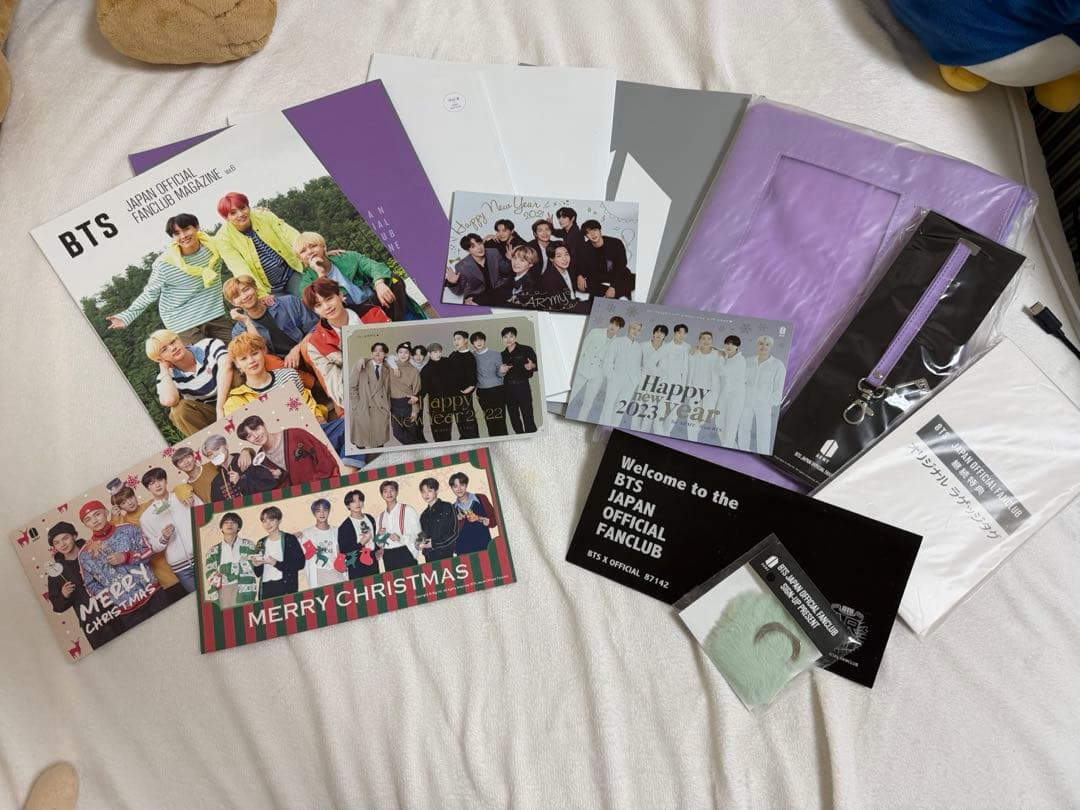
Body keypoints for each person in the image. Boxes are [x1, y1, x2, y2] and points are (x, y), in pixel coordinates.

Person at [106, 213, 234, 344]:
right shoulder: (164, 264)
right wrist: (126, 316)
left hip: (213, 313)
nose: (183, 236)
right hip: (182, 321)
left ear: (196, 227)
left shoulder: (214, 248)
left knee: (240, 347)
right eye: (177, 233)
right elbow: (150, 293)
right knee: (206, 354)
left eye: (186, 229)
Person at [302, 277, 389, 414]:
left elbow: (395, 350)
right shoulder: (316, 344)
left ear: (340, 295)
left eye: (329, 298)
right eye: (318, 305)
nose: (326, 307)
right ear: (314, 310)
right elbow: (336, 388)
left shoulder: (372, 313)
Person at [77, 501, 168, 630]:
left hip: (153, 594)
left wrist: (126, 557)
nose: (94, 521)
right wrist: (112, 595)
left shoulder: (128, 530)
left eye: (97, 514)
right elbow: (90, 585)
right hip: (127, 609)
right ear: (85, 524)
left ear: (106, 512)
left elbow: (149, 551)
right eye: (88, 519)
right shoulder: (85, 554)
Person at [223, 274, 318, 390]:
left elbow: (316, 327)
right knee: (267, 361)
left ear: (255, 288)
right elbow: (261, 351)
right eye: (237, 296)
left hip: (307, 350)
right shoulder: (239, 331)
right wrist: (247, 322)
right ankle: (315, 387)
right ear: (233, 303)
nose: (244, 296)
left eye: (246, 289)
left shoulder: (288, 302)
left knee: (308, 347)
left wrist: (297, 349)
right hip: (281, 367)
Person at [293, 231, 415, 321]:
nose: (310, 252)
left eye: (313, 246)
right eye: (303, 251)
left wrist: (379, 283)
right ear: (300, 259)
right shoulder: (306, 284)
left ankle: (403, 323)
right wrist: (320, 274)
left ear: (324, 247)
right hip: (352, 314)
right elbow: (321, 307)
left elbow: (374, 266)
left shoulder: (346, 258)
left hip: (373, 299)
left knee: (394, 280)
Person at [214, 192, 304, 296]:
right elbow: (239, 267)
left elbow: (287, 232)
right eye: (233, 213)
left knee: (309, 296)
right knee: (285, 306)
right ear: (226, 218)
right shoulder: (223, 238)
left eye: (242, 208)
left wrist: (305, 248)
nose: (240, 214)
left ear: (248, 207)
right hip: (267, 288)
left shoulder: (263, 215)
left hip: (290, 272)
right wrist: (260, 294)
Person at [45, 521, 117, 649]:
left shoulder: (93, 549)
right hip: (93, 622)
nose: (62, 544)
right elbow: (57, 606)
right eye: (57, 542)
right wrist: (64, 595)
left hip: (116, 606)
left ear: (74, 536)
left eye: (65, 538)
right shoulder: (56, 572)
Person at [145, 329, 233, 434]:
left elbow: (227, 367)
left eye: (172, 342)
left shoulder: (208, 345)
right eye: (164, 349)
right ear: (160, 359)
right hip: (207, 411)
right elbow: (170, 400)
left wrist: (220, 408)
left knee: (236, 375)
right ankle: (212, 441)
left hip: (233, 397)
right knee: (178, 411)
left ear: (179, 339)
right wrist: (164, 369)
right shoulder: (165, 377)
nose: (173, 348)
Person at [235, 414, 339, 487]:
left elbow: (324, 458)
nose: (256, 436)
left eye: (257, 429)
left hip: (325, 488)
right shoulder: (261, 462)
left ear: (264, 425)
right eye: (249, 436)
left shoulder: (296, 434)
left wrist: (316, 486)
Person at [138, 468, 198, 593]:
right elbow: (153, 547)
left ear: (166, 481)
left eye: (160, 480)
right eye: (152, 483)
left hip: (202, 555)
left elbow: (205, 515)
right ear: (148, 488)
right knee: (201, 601)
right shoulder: (146, 517)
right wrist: (164, 537)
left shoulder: (184, 496)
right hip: (181, 568)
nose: (157, 485)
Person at [737, 335, 786, 454]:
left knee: (763, 430)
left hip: (764, 402)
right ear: (757, 345)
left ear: (771, 347)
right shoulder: (748, 361)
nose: (763, 346)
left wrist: (771, 401)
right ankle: (742, 450)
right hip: (747, 400)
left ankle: (762, 452)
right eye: (761, 344)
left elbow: (779, 386)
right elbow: (740, 380)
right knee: (743, 426)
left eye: (767, 344)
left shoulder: (777, 365)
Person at [571, 316, 623, 421]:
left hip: (598, 375)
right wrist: (575, 366)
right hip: (582, 368)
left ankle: (581, 420)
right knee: (570, 394)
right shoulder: (595, 332)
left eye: (616, 325)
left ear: (619, 328)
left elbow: (613, 362)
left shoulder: (617, 343)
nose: (613, 326)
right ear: (609, 323)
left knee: (588, 402)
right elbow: (582, 348)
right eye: (612, 323)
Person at [202, 434, 282, 503]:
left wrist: (240, 481)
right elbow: (217, 508)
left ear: (226, 446)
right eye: (210, 454)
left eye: (217, 449)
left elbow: (270, 485)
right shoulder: (216, 482)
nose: (215, 455)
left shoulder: (247, 460)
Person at [203, 512, 260, 608]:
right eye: (226, 522)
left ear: (239, 527)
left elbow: (252, 566)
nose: (229, 525)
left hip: (245, 589)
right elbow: (210, 574)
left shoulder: (248, 545)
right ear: (221, 528)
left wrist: (224, 568)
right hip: (222, 591)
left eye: (233, 522)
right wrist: (237, 569)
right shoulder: (213, 551)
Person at [252, 506, 305, 599]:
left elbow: (300, 564)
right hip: (266, 587)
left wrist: (275, 563)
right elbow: (258, 573)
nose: (268, 524)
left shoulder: (289, 539)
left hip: (285, 586)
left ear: (279, 520)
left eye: (271, 520)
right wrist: (256, 565)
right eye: (264, 521)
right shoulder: (260, 542)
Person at [599, 321, 644, 428]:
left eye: (638, 330)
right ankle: (602, 428)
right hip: (616, 378)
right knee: (609, 405)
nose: (636, 331)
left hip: (630, 382)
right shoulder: (617, 341)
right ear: (629, 329)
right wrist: (611, 377)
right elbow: (608, 361)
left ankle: (613, 429)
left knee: (621, 407)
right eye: (634, 328)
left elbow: (638, 366)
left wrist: (636, 381)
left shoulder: (638, 347)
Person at [348, 341, 392, 449]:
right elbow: (351, 387)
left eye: (381, 351)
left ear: (385, 354)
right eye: (375, 351)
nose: (377, 353)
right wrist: (357, 406)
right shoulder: (361, 366)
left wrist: (387, 407)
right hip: (363, 408)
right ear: (371, 353)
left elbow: (389, 391)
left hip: (381, 410)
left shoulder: (388, 369)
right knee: (360, 445)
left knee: (379, 445)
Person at [445, 234, 509, 304]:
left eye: (479, 243)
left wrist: (509, 259)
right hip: (477, 297)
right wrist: (452, 283)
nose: (479, 248)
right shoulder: (462, 266)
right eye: (473, 246)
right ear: (468, 250)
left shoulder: (493, 252)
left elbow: (506, 271)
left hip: (499, 291)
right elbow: (459, 291)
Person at [298, 499, 346, 589]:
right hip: (319, 574)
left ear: (329, 511)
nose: (322, 513)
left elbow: (344, 552)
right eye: (318, 511)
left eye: (325, 510)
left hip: (336, 572)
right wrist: (293, 537)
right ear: (314, 513)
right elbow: (299, 555)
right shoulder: (307, 534)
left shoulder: (337, 531)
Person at [579, 219, 633, 300]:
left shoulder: (616, 243)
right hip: (599, 278)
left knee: (633, 279)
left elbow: (621, 266)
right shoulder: (585, 249)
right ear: (586, 236)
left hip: (617, 275)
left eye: (595, 230)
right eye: (588, 232)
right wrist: (580, 276)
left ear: (600, 230)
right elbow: (581, 266)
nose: (593, 234)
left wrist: (613, 287)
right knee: (583, 285)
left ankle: (617, 295)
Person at [499, 326, 539, 434]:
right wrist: (501, 371)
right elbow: (498, 374)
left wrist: (532, 366)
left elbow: (538, 365)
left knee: (528, 415)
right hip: (507, 389)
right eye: (505, 337)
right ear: (502, 339)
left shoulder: (526, 349)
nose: (508, 339)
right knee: (514, 417)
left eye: (511, 336)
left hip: (522, 387)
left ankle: (531, 435)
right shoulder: (501, 355)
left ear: (515, 337)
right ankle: (519, 435)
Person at [686, 331, 723, 443]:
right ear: (699, 340)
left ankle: (695, 434)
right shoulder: (693, 353)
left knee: (706, 416)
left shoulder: (717, 354)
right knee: (692, 416)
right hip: (695, 389)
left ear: (712, 341)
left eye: (709, 339)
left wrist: (719, 351)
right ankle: (692, 440)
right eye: (703, 338)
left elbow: (728, 354)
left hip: (711, 390)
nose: (706, 341)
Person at [376, 480, 422, 569]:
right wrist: (379, 536)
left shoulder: (408, 510)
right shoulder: (380, 517)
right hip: (388, 555)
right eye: (385, 491)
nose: (389, 493)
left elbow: (418, 533)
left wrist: (400, 538)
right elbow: (379, 543)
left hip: (405, 552)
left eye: (392, 490)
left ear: (397, 492)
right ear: (382, 495)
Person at [449, 473, 498, 554]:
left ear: (466, 485)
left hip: (484, 547)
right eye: (455, 486)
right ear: (452, 488)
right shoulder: (451, 509)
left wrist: (483, 519)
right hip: (463, 551)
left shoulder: (481, 498)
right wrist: (458, 521)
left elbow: (495, 520)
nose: (459, 489)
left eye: (462, 485)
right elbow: (450, 535)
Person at [657, 324, 692, 437]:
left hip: (680, 385)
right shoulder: (666, 347)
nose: (682, 335)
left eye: (684, 333)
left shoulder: (687, 347)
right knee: (661, 411)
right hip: (665, 383)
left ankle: (666, 434)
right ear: (675, 333)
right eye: (679, 333)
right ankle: (659, 434)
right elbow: (657, 364)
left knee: (674, 413)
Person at [337, 489, 379, 579]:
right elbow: (344, 550)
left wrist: (378, 549)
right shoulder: (345, 526)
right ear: (348, 505)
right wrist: (361, 543)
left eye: (360, 500)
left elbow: (374, 538)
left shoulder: (370, 518)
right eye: (353, 501)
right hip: (356, 563)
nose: (358, 503)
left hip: (372, 560)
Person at [386, 342, 423, 445]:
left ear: (410, 354)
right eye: (400, 352)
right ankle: (418, 447)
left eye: (406, 352)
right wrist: (395, 367)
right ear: (397, 353)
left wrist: (415, 410)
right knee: (397, 433)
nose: (403, 355)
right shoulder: (390, 367)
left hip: (408, 404)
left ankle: (418, 449)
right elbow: (382, 358)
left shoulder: (414, 371)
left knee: (412, 432)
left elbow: (416, 391)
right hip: (394, 404)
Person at [471, 331, 507, 436]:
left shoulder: (495, 354)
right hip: (482, 392)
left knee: (500, 419)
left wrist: (503, 371)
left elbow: (500, 375)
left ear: (484, 341)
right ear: (472, 343)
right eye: (476, 341)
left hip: (497, 390)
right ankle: (493, 442)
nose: (479, 342)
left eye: (481, 340)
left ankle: (504, 440)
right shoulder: (471, 356)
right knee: (489, 420)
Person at [445, 330, 480, 440]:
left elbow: (473, 376)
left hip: (464, 394)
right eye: (454, 339)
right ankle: (464, 441)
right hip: (452, 395)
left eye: (458, 339)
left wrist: (469, 388)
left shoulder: (470, 356)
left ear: (465, 340)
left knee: (469, 421)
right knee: (460, 421)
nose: (456, 341)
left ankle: (475, 442)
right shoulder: (453, 355)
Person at [420, 342, 456, 442]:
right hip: (435, 404)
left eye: (440, 351)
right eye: (435, 352)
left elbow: (456, 378)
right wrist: (417, 397)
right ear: (429, 354)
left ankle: (448, 448)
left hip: (449, 401)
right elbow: (424, 389)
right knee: (437, 429)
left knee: (447, 429)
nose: (438, 354)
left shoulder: (448, 362)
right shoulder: (426, 370)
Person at [638, 325, 671, 432]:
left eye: (662, 332)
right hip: (644, 380)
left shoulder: (668, 348)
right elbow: (639, 363)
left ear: (665, 335)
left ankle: (644, 432)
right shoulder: (643, 345)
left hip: (660, 383)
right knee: (639, 408)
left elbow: (668, 366)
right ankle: (636, 430)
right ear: (653, 333)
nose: (659, 334)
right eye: (657, 331)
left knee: (652, 409)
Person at [418, 478, 459, 562]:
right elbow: (422, 535)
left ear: (436, 491)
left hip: (445, 555)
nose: (426, 494)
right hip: (428, 557)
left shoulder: (447, 507)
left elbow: (454, 533)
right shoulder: (423, 515)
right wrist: (419, 542)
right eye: (423, 492)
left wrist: (434, 543)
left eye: (429, 491)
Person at [717, 335, 747, 447]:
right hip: (726, 393)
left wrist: (721, 357)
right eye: (727, 343)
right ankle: (730, 446)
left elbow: (721, 371)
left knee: (731, 424)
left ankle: (727, 447)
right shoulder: (728, 356)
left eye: (733, 344)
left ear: (737, 347)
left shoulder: (739, 360)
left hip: (736, 395)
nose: (729, 346)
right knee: (719, 421)